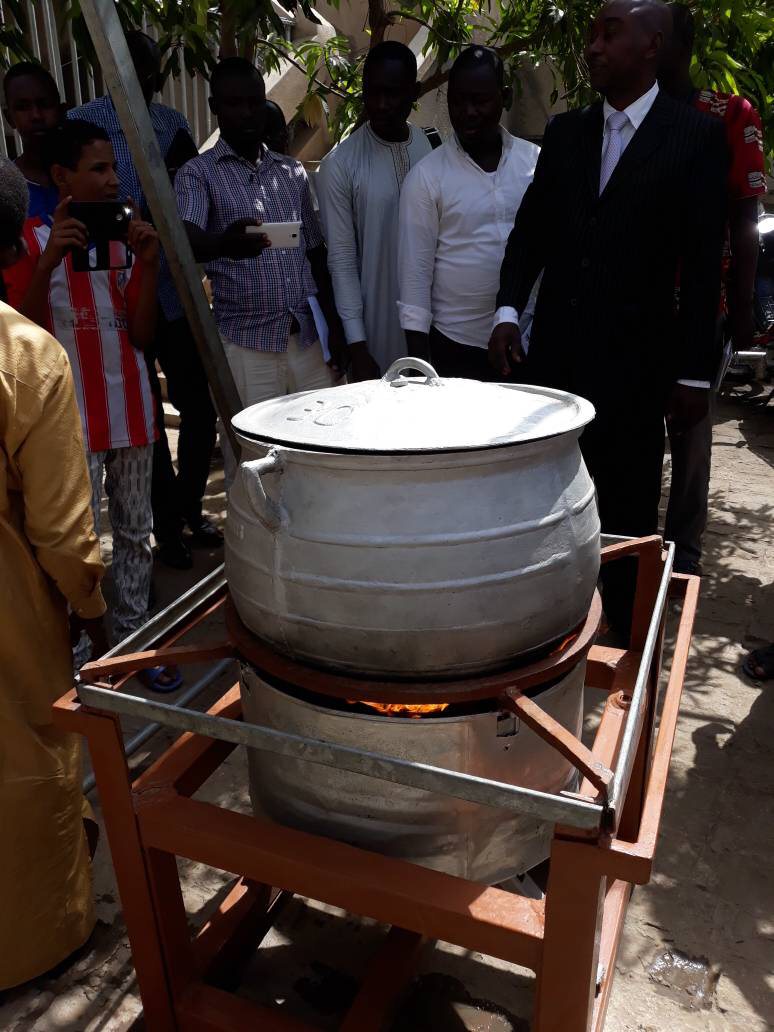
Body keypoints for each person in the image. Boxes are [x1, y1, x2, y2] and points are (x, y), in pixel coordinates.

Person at [489, 0, 728, 635]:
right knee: (547, 508)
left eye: (609, 32)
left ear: (652, 45)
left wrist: (695, 375)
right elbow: (530, 234)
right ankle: (548, 632)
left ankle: (620, 648)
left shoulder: (695, 138)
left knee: (624, 519)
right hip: (556, 369)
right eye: (592, 33)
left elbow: (704, 268)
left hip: (636, 373)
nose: (593, 46)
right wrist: (508, 311)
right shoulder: (566, 134)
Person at [4, 119, 179, 692]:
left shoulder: (128, 240)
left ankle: (131, 643)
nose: (111, 180)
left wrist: (149, 264)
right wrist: (52, 256)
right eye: (97, 169)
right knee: (80, 541)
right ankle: (78, 658)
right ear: (62, 177)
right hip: (66, 425)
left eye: (112, 168)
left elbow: (143, 334)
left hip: (131, 412)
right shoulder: (32, 240)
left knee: (135, 533)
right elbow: (19, 332)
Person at [0, 156, 106, 988]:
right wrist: (92, 605)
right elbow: (66, 536)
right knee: (26, 762)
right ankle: (37, 940)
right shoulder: (28, 359)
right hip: (11, 615)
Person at [70, 30, 221, 571]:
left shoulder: (171, 126)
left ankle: (184, 510)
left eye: (152, 72)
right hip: (116, 296)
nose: (145, 80)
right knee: (149, 420)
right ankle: (167, 528)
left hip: (171, 293)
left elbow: (186, 201)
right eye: (135, 71)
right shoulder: (84, 124)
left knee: (200, 409)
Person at [175, 57, 347, 482]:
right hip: (246, 344)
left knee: (321, 456)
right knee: (254, 467)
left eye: (253, 102)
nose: (246, 113)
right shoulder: (198, 175)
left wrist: (338, 328)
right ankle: (255, 549)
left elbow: (315, 253)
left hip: (306, 339)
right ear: (216, 106)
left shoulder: (290, 172)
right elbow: (185, 240)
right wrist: (223, 245)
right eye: (234, 104)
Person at [659, 3, 766, 576]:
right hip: (635, 304)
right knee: (630, 428)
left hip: (703, 309)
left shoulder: (728, 115)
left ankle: (683, 552)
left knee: (693, 430)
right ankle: (627, 540)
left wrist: (743, 305)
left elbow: (746, 217)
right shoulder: (628, 113)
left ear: (681, 45)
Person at [397, 46, 539, 380]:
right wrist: (421, 370)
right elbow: (414, 282)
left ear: (504, 98)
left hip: (528, 340)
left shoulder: (535, 164)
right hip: (457, 350)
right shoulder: (426, 177)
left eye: (479, 100)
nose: (467, 112)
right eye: (457, 101)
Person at [317, 41, 431, 379]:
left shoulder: (431, 147)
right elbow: (341, 261)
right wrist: (357, 345)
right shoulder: (339, 165)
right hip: (374, 330)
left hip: (435, 326)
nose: (381, 104)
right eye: (373, 92)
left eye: (393, 94)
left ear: (415, 92)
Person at [2, 61, 64, 218]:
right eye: (22, 107)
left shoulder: (89, 175)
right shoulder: (6, 190)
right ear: (9, 118)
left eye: (44, 104)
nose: (36, 115)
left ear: (62, 110)